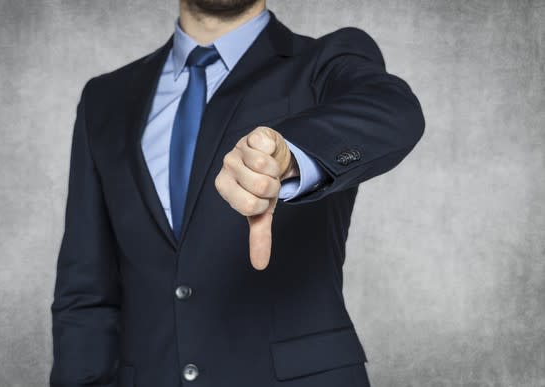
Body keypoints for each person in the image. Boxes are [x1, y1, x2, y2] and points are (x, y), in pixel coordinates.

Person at [49, 1, 425, 386]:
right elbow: (86, 293)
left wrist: (291, 156)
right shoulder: (105, 98)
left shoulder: (323, 60)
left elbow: (393, 111)